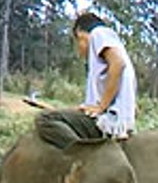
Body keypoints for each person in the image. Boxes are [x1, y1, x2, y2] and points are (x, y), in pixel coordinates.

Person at [35, 12, 138, 149]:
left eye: (77, 41)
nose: (78, 49)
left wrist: (101, 107)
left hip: (106, 121)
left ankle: (81, 154)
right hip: (114, 119)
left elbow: (118, 63)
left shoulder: (98, 34)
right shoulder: (116, 48)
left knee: (45, 119)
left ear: (80, 33)